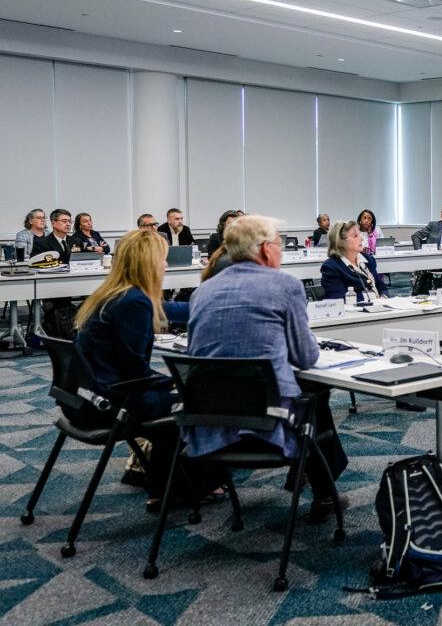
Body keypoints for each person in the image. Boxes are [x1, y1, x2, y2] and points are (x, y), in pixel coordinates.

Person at [186, 215, 348, 522]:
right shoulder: (284, 285)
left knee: (313, 397)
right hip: (267, 421)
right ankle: (324, 492)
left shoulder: (202, 292)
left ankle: (320, 489)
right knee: (316, 394)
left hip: (208, 422)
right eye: (279, 244)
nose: (282, 251)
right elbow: (305, 357)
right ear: (263, 249)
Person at [72, 230, 216, 506]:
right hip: (115, 399)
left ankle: (163, 486)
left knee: (179, 399)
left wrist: (209, 304)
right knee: (200, 400)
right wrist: (173, 384)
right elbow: (136, 372)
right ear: (147, 262)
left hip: (88, 395)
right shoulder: (132, 302)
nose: (165, 265)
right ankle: (195, 485)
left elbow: (164, 308)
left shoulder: (114, 294)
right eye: (162, 259)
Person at [320, 220, 390, 300]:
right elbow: (340, 298)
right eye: (355, 236)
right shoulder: (331, 267)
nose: (361, 239)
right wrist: (373, 298)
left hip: (379, 309)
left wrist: (383, 297)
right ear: (341, 242)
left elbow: (382, 288)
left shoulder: (368, 259)